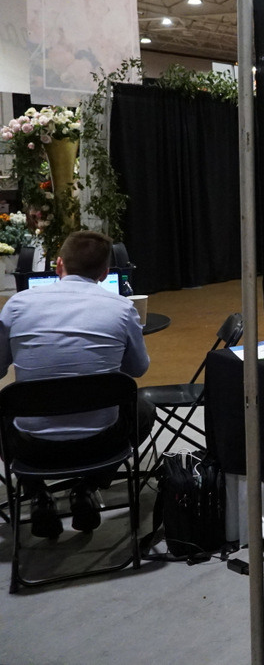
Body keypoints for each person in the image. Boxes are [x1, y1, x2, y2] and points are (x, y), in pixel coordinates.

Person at [0, 230, 151, 538]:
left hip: (31, 447)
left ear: (59, 265)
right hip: (101, 443)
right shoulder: (122, 308)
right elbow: (138, 369)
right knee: (144, 409)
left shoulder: (16, 306)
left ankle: (37, 494)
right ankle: (87, 487)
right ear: (105, 273)